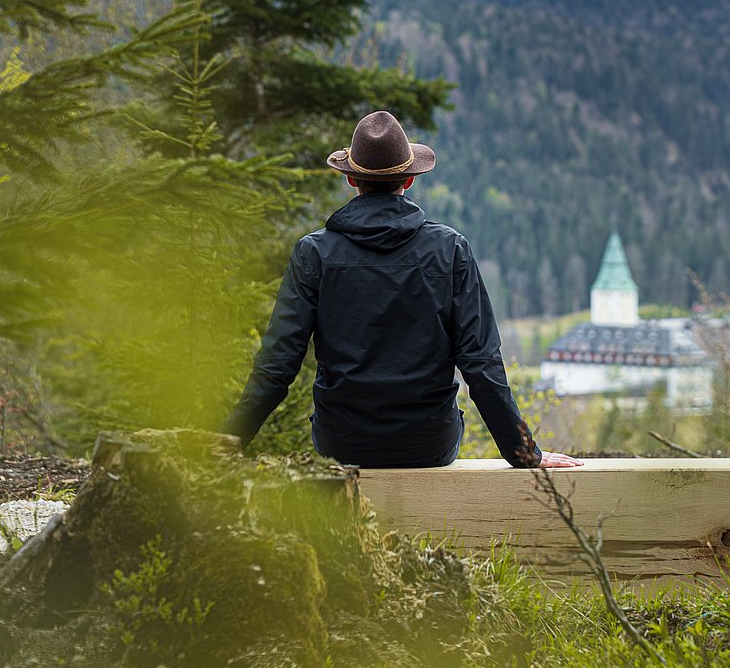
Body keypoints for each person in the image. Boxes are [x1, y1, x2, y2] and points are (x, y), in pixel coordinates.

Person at [224, 111, 582, 470]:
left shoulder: (313, 253)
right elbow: (481, 363)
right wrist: (524, 453)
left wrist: (227, 442)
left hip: (342, 444)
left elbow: (278, 364)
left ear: (350, 179)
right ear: (409, 180)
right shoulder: (450, 249)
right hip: (428, 444)